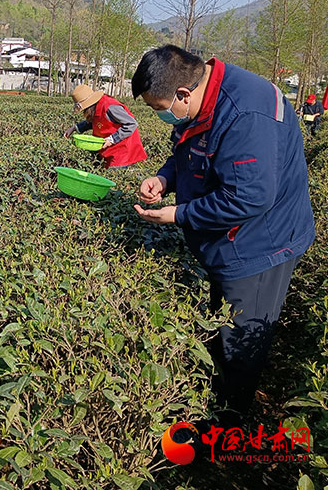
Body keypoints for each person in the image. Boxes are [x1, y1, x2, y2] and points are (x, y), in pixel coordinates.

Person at [131, 44, 315, 423]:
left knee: (240, 344)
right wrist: (164, 179)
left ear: (183, 94)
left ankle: (228, 424)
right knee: (222, 324)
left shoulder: (246, 113)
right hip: (229, 238)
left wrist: (178, 214)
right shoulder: (204, 95)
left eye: (159, 108)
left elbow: (248, 198)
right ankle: (217, 399)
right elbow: (188, 149)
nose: (161, 116)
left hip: (260, 244)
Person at [64, 84, 147, 168]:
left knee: (113, 174)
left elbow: (131, 123)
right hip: (109, 149)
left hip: (123, 150)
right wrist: (74, 128)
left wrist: (112, 139)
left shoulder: (110, 106)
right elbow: (94, 121)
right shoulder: (96, 107)